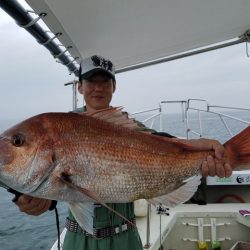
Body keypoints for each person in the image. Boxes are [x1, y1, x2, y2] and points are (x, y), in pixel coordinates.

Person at [15, 55, 232, 249]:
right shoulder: (62, 127)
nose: (98, 88)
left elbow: (160, 141)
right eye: (91, 81)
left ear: (114, 87)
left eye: (105, 82)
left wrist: (202, 149)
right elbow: (55, 183)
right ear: (80, 86)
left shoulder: (129, 128)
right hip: (77, 238)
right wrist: (28, 197)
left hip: (125, 238)